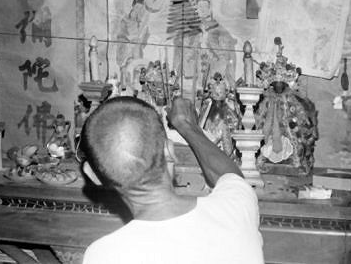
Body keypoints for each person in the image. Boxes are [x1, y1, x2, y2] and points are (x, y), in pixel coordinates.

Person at [80, 96, 264, 264]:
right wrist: (186, 126)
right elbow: (231, 177)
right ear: (169, 150)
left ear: (93, 176)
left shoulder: (103, 255)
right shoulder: (236, 208)